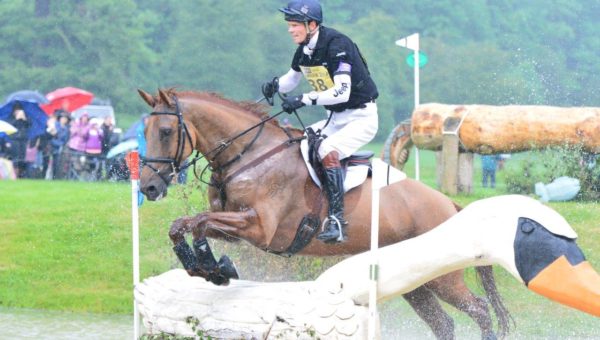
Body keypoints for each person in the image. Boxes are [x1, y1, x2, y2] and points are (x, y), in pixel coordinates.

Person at [262, 0, 379, 243]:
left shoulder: (338, 45)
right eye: (289, 25)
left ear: (312, 24)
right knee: (295, 143)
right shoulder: (305, 50)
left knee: (326, 149)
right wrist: (274, 85)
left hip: (361, 118)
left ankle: (336, 219)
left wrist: (304, 99)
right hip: (334, 118)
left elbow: (342, 92)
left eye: (295, 25)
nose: (290, 29)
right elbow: (291, 80)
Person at [7, 105, 31, 178]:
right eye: (17, 111)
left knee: (22, 157)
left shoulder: (25, 118)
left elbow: (29, 125)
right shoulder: (11, 118)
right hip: (14, 139)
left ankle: (21, 174)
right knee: (15, 157)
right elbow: (10, 127)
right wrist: (17, 119)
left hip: (23, 139)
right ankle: (14, 174)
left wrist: (24, 119)